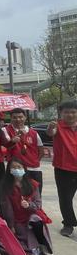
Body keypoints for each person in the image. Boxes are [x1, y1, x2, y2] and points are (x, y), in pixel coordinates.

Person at [1, 158, 54, 255]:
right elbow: (7, 209)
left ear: (24, 169)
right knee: (21, 238)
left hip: (31, 214)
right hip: (17, 219)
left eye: (19, 167)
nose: (16, 170)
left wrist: (29, 205)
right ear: (9, 170)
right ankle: (33, 247)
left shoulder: (33, 184)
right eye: (13, 168)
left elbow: (38, 204)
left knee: (36, 220)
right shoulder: (6, 186)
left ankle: (43, 244)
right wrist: (11, 225)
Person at [47, 100, 77, 237]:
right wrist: (50, 129)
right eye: (66, 112)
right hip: (63, 169)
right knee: (65, 198)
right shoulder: (57, 126)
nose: (70, 115)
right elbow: (50, 133)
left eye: (73, 112)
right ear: (61, 113)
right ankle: (69, 224)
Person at [1, 108, 44, 193]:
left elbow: (41, 150)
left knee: (35, 195)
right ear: (11, 118)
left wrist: (34, 161)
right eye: (15, 117)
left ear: (25, 118)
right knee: (13, 195)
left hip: (33, 169)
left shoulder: (34, 133)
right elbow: (6, 145)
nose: (18, 119)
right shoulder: (5, 130)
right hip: (15, 170)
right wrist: (14, 139)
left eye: (20, 117)